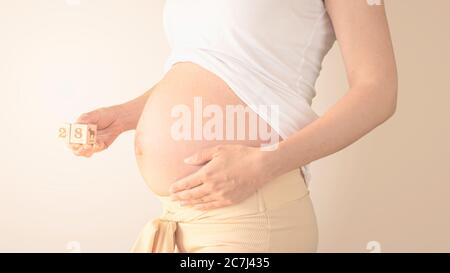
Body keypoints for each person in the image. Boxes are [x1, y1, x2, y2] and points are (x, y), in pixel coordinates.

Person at [68, 0, 397, 252]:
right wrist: (126, 115)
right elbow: (212, 65)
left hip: (248, 214)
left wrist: (266, 163)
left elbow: (377, 90)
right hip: (180, 218)